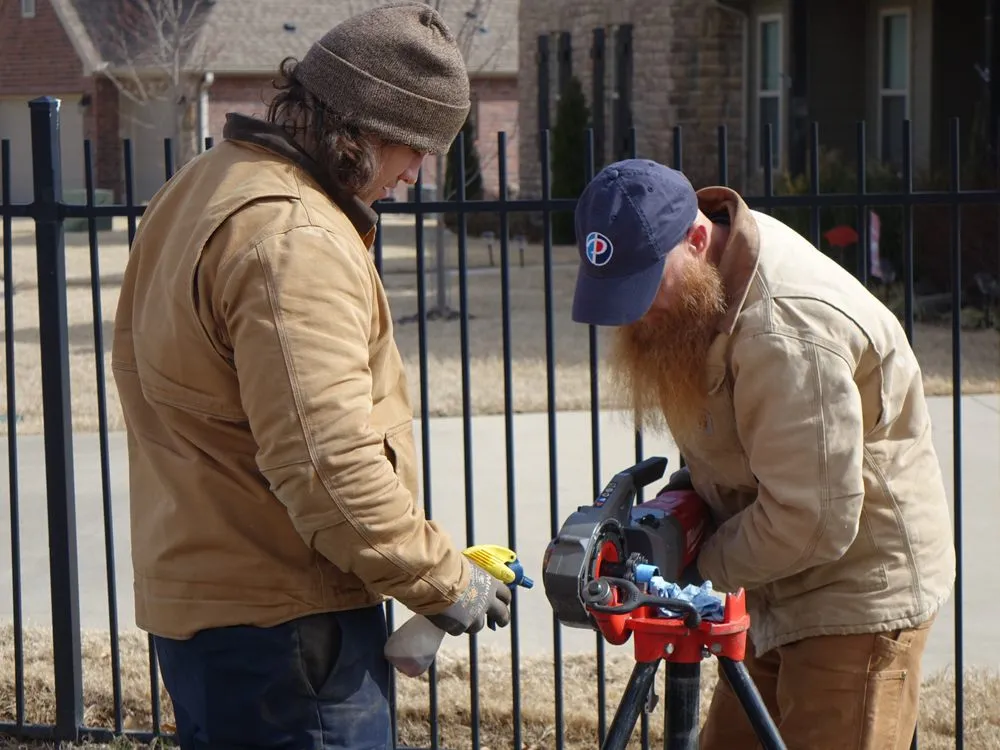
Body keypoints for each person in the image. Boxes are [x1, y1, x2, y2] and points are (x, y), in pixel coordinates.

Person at [110, 3, 511, 748]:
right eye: (412, 147)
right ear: (356, 130)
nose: (416, 173)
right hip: (289, 633)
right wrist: (445, 580)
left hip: (207, 608)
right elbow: (329, 468)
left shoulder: (201, 186)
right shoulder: (294, 240)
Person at [570, 159, 955, 749]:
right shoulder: (706, 288)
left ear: (697, 240)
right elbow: (741, 439)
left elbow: (813, 518)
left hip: (854, 594)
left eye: (644, 286)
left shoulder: (785, 330)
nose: (633, 311)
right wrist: (684, 504)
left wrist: (694, 564)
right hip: (777, 576)